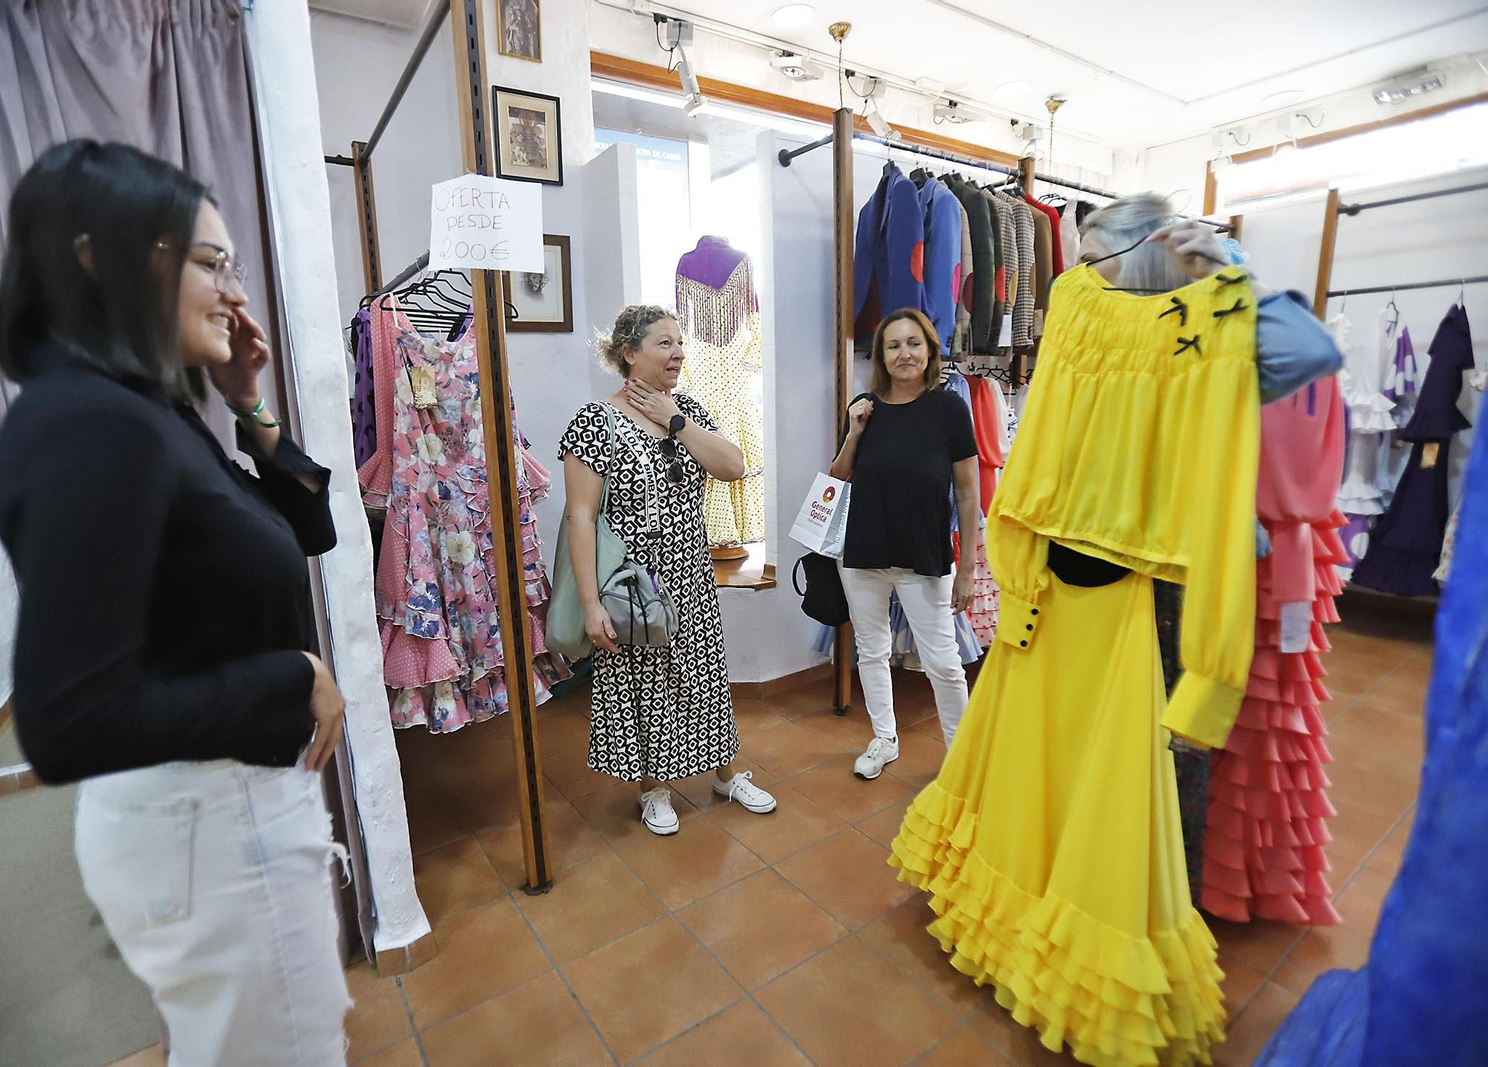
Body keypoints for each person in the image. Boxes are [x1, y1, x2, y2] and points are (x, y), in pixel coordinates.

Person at [889, 196, 1343, 1067]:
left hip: (1161, 581)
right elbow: (1038, 450)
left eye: (1096, 253)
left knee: (1159, 769)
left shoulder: (1216, 312)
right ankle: (1069, 904)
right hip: (1072, 571)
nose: (1081, 267)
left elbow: (1308, 355)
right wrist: (1014, 566)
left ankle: (1150, 915)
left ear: (1145, 250)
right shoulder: (1074, 303)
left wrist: (1227, 273)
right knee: (1064, 760)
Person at [0, 141, 351, 1065]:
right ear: (100, 257)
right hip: (208, 815)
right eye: (209, 262)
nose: (234, 291)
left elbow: (304, 536)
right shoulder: (88, 420)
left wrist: (249, 402)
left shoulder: (155, 416)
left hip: (221, 806)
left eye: (232, 265)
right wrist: (292, 675)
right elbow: (69, 722)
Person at [558, 305, 776, 835]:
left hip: (692, 576)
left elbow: (732, 466)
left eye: (680, 342)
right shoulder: (593, 422)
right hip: (631, 582)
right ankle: (652, 789)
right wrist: (589, 604)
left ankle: (724, 774)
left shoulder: (689, 412)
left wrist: (673, 420)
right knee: (640, 684)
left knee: (704, 678)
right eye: (664, 343)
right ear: (629, 353)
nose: (678, 352)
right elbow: (581, 518)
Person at [830, 308, 980, 779]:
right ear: (881, 356)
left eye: (913, 343)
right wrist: (854, 431)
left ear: (930, 350)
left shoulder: (949, 408)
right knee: (871, 651)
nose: (904, 354)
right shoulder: (864, 406)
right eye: (893, 346)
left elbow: (969, 491)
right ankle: (884, 739)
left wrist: (970, 567)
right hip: (863, 552)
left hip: (924, 555)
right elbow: (835, 479)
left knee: (944, 662)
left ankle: (962, 761)